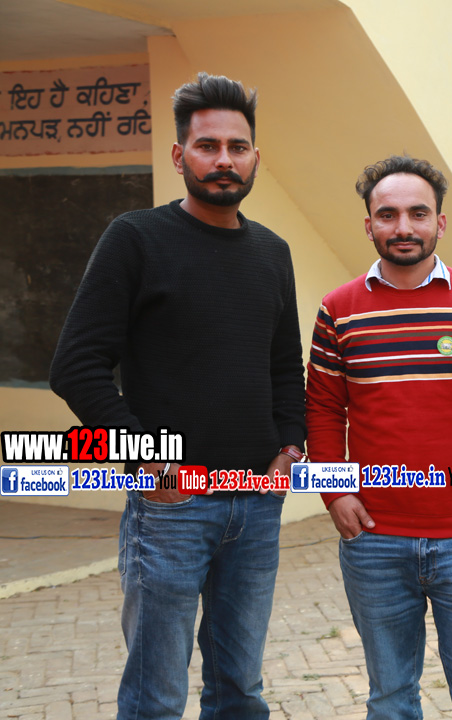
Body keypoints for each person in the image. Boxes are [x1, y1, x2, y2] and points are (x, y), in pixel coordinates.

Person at [49, 72, 306, 719]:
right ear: (178, 155)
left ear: (255, 157)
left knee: (240, 692)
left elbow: (284, 366)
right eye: (207, 146)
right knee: (155, 699)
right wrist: (146, 456)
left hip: (256, 506)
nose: (224, 160)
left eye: (237, 147)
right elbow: (75, 367)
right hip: (171, 507)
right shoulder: (136, 238)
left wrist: (289, 446)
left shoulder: (272, 253)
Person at [305, 155, 452, 719]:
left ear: (440, 222)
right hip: (373, 540)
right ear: (369, 226)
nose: (403, 227)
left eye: (418, 213)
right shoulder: (338, 310)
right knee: (390, 702)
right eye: (388, 215)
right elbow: (324, 409)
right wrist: (334, 492)